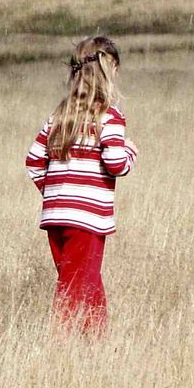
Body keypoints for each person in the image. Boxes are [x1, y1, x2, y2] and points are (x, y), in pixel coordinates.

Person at [25, 36, 138, 335]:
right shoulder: (110, 118)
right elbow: (117, 164)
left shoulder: (59, 117)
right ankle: (61, 346)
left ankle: (95, 340)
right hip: (87, 220)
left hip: (56, 218)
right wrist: (131, 152)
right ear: (108, 72)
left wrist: (55, 194)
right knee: (75, 287)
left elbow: (34, 160)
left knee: (84, 280)